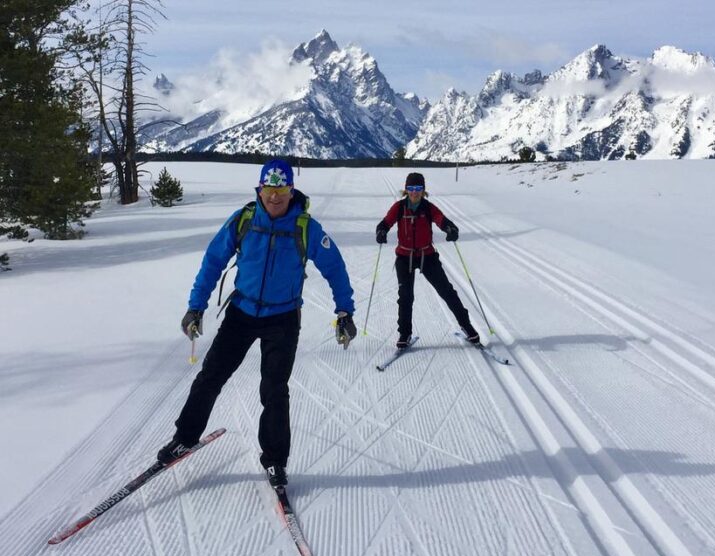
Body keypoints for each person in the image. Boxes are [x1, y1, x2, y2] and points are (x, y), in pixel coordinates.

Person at [157, 159, 358, 488]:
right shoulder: (244, 221)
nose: (274, 198)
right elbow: (213, 260)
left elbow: (335, 267)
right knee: (210, 377)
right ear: (259, 190)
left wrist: (344, 311)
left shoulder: (306, 227)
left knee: (274, 391)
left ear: (291, 191)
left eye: (281, 190)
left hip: (283, 319)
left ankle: (275, 461)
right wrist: (196, 306)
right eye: (269, 190)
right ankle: (185, 437)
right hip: (241, 314)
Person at [375, 172, 479, 348]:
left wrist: (450, 229)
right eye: (411, 188)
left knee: (447, 292)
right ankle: (404, 334)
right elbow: (384, 223)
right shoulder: (399, 208)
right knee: (406, 297)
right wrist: (381, 232)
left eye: (418, 189)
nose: (414, 192)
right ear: (406, 190)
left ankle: (467, 327)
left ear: (423, 191)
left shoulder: (428, 208)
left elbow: (441, 220)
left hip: (427, 256)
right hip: (404, 257)